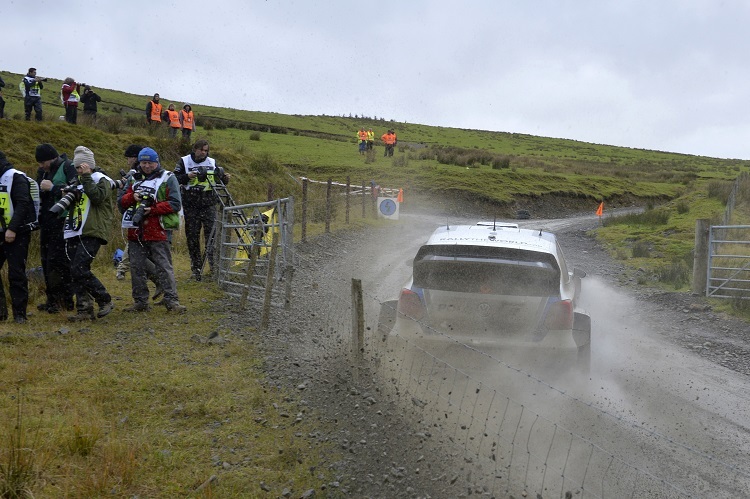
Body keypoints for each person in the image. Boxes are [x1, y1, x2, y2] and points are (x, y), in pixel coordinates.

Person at [119, 147, 186, 313]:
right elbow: (120, 203)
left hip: (158, 230)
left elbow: (175, 203)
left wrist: (153, 209)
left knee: (164, 266)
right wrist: (131, 197)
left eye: (150, 162)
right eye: (143, 162)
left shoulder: (168, 178)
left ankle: (172, 301)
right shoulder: (133, 179)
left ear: (157, 162)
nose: (147, 166)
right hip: (135, 230)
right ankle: (140, 302)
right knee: (136, 267)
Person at [65, 146, 116, 321]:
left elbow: (97, 197)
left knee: (79, 267)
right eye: (77, 168)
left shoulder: (102, 179)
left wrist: (86, 177)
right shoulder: (78, 181)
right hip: (75, 229)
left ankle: (104, 299)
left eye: (81, 167)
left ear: (89, 165)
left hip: (93, 229)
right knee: (75, 270)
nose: (79, 170)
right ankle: (84, 309)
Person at [174, 140, 230, 280]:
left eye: (206, 150)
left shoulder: (212, 162)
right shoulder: (184, 161)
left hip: (209, 203)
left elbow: (219, 181)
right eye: (201, 150)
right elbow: (174, 179)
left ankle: (214, 268)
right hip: (191, 204)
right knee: (192, 237)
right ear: (195, 149)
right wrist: (187, 177)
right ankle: (196, 269)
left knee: (211, 236)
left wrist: (225, 178)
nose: (204, 153)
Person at [115, 145, 163, 301]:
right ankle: (152, 290)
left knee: (144, 259)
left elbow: (121, 200)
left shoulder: (139, 175)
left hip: (149, 224)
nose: (128, 161)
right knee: (140, 259)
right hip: (135, 223)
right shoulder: (135, 176)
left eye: (129, 157)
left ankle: (163, 287)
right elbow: (123, 199)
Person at [36, 143, 76, 313]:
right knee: (46, 261)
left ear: (51, 158)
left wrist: (53, 188)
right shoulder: (43, 172)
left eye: (42, 162)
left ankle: (65, 300)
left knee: (59, 262)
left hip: (63, 222)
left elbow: (75, 191)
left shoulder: (68, 167)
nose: (40, 166)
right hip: (46, 223)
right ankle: (52, 299)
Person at [0, 151, 38, 323]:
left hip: (18, 233)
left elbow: (23, 204)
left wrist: (12, 229)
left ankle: (19, 314)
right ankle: (1, 313)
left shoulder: (15, 177)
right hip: (1, 232)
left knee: (16, 273)